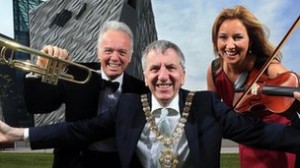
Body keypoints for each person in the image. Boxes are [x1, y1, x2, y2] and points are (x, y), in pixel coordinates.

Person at [1, 39, 300, 168]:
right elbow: (79, 130)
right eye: (155, 69)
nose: (163, 76)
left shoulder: (207, 105)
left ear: (183, 73)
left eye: (171, 68)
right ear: (145, 76)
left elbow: (263, 134)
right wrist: (17, 134)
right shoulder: (129, 107)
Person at [23, 20, 149, 168]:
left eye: (122, 52)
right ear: (98, 53)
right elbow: (38, 106)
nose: (115, 58)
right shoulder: (77, 73)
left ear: (130, 56)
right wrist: (40, 72)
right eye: (108, 51)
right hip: (75, 162)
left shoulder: (142, 90)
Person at [206, 5, 300, 168]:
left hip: (281, 136)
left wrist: (292, 88)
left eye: (237, 37)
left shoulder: (265, 63)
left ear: (250, 40)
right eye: (223, 37)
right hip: (249, 140)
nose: (230, 45)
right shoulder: (214, 71)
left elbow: (282, 75)